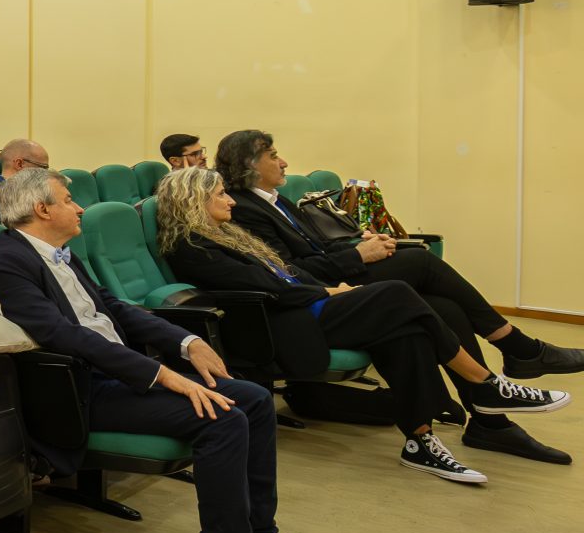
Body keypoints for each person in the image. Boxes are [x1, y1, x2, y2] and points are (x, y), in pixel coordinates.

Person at [0, 167, 347, 533]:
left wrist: (187, 343)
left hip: (119, 376)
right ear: (41, 209)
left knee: (253, 400)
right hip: (82, 390)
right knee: (222, 418)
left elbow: (113, 308)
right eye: (68, 200)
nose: (79, 207)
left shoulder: (59, 253)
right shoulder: (6, 262)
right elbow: (63, 336)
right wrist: (163, 375)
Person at [156, 167, 567, 482]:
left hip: (308, 305)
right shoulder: (190, 245)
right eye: (220, 194)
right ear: (193, 201)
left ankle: (420, 440)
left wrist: (329, 288)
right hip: (284, 323)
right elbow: (265, 288)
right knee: (397, 293)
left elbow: (287, 272)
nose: (230, 199)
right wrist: (329, 291)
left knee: (407, 327)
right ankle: (484, 385)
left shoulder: (227, 233)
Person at [218, 129, 582, 461]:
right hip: (317, 293)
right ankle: (518, 349)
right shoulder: (244, 208)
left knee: (445, 307)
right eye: (273, 156)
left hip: (332, 273)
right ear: (249, 165)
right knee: (420, 263)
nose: (283, 162)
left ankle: (490, 423)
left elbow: (316, 247)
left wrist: (361, 244)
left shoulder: (275, 200)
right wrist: (357, 256)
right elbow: (290, 269)